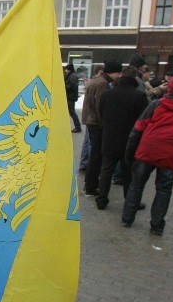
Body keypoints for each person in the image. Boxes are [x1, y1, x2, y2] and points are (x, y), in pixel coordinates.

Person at [121, 75, 173, 235]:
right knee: (164, 190)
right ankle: (157, 224)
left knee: (136, 185)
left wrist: (130, 153)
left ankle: (127, 218)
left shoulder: (156, 104)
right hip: (170, 155)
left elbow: (137, 129)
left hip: (147, 150)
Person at [95, 66, 149, 210]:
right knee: (128, 173)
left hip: (109, 138)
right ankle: (130, 201)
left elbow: (101, 113)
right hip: (129, 140)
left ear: (121, 76)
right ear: (134, 78)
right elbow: (143, 120)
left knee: (106, 170)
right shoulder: (139, 96)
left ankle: (101, 199)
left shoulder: (108, 94)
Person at [81, 59, 122, 196]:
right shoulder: (103, 84)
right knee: (97, 155)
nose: (119, 76)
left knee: (95, 154)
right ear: (114, 72)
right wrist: (105, 120)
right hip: (97, 123)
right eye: (119, 73)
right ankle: (91, 185)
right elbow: (100, 105)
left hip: (91, 120)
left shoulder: (96, 80)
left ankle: (89, 183)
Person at [64, 62, 82, 132]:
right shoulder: (71, 75)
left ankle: (78, 127)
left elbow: (71, 86)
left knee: (72, 112)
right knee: (71, 112)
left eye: (66, 69)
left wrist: (64, 87)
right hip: (70, 96)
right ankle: (77, 127)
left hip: (70, 97)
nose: (65, 70)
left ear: (69, 69)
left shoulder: (72, 76)